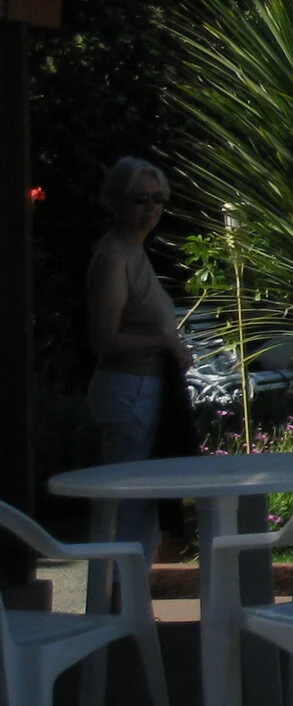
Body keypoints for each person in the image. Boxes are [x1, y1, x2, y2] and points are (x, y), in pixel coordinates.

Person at [87, 156, 194, 557]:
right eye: (138, 199)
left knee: (144, 512)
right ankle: (118, 607)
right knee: (128, 511)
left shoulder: (136, 253)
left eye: (157, 199)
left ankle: (128, 607)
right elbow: (105, 338)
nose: (150, 208)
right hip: (128, 392)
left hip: (148, 390)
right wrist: (166, 345)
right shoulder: (114, 257)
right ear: (114, 201)